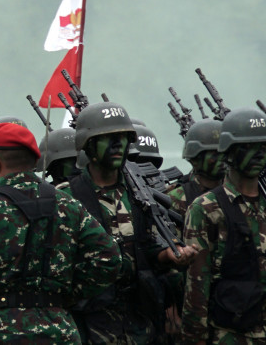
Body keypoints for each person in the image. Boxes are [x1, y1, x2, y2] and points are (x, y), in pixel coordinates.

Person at [0, 121, 122, 343]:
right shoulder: (67, 204)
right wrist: (64, 294)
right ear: (35, 161)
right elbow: (109, 258)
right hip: (60, 331)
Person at [61, 101, 198, 344]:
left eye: (123, 138)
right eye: (108, 138)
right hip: (90, 322)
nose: (118, 145)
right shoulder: (67, 197)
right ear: (88, 145)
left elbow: (148, 248)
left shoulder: (140, 194)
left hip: (140, 320)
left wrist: (170, 255)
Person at [181, 106, 266, 344]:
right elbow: (197, 285)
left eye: (264, 148)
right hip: (234, 335)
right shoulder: (207, 208)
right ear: (228, 152)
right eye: (248, 147)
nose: (258, 155)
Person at [166, 120, 225, 220]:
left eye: (225, 153)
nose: (223, 159)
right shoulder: (177, 199)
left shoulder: (236, 193)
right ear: (196, 159)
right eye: (215, 154)